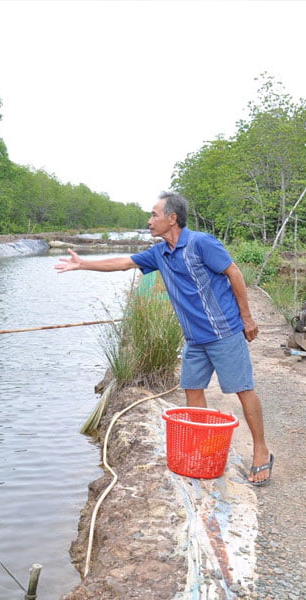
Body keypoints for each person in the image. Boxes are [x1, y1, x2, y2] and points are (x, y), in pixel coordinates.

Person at [55, 191, 273, 485]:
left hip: (224, 332)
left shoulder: (201, 244)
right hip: (194, 339)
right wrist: (83, 264)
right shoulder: (159, 253)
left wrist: (247, 317)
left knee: (242, 389)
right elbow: (124, 263)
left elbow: (234, 273)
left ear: (172, 218)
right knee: (192, 390)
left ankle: (261, 450)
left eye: (154, 215)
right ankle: (205, 446)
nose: (149, 221)